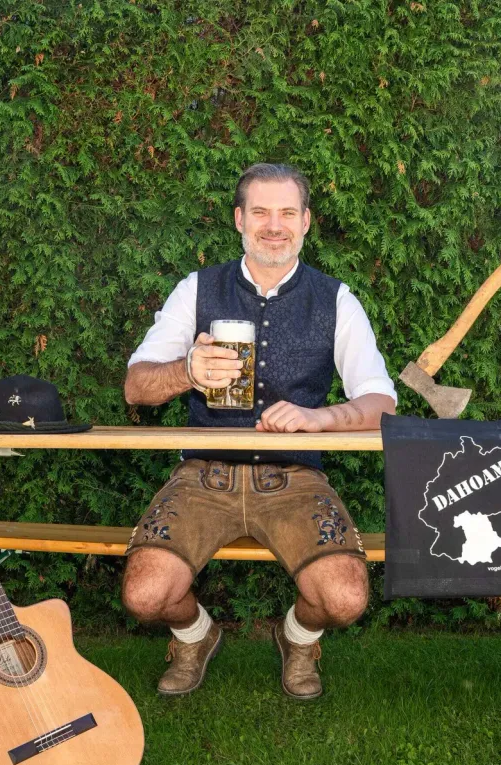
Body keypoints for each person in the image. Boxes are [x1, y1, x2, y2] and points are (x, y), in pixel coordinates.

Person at [122, 163, 397, 700]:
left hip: (295, 475)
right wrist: (187, 373)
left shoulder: (335, 299)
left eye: (287, 213)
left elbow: (381, 401)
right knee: (144, 594)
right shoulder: (197, 288)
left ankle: (297, 638)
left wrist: (320, 418)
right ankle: (195, 635)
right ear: (239, 219)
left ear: (307, 222)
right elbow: (136, 386)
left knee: (344, 598)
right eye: (261, 212)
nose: (275, 225)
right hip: (205, 471)